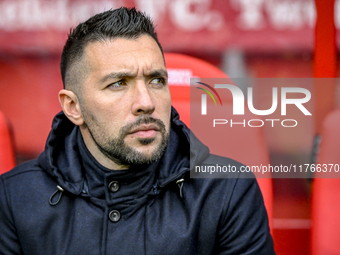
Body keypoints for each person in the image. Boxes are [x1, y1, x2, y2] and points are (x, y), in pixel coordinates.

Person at [0, 7, 275, 255]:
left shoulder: (227, 190)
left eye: (157, 80)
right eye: (119, 83)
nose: (146, 102)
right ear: (73, 107)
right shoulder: (14, 199)